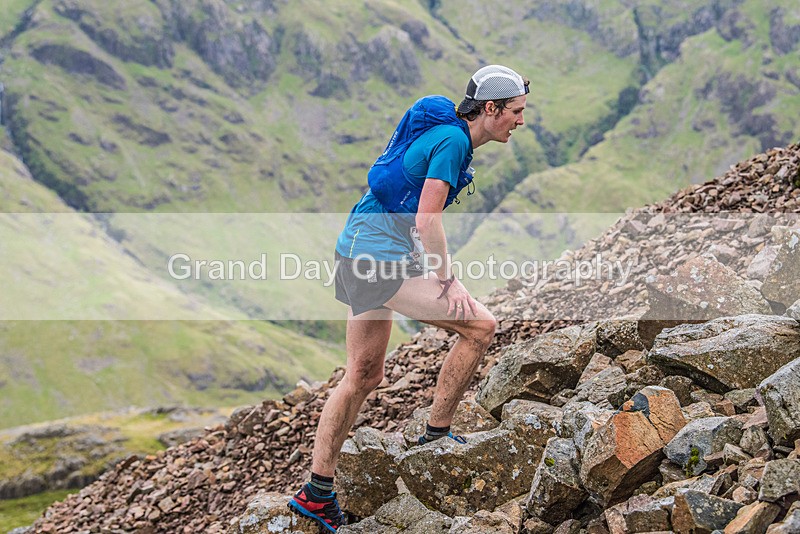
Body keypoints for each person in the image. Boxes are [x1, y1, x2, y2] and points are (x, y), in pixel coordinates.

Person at [289, 65, 529, 531]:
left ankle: (316, 493)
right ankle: (436, 436)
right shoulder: (454, 142)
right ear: (491, 108)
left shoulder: (446, 131)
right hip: (377, 260)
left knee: (363, 374)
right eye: (516, 111)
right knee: (480, 327)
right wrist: (448, 281)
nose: (521, 121)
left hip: (356, 247)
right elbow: (427, 220)